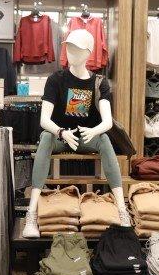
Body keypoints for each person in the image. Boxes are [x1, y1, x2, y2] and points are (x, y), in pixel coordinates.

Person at [22, 29, 130, 238]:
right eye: (69, 48)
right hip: (62, 137)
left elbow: (107, 122)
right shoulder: (56, 79)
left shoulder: (99, 82)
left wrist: (94, 131)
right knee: (46, 137)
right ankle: (31, 213)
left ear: (88, 52)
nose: (71, 53)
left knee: (105, 139)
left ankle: (122, 210)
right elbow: (44, 120)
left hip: (87, 137)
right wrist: (61, 132)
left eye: (77, 49)